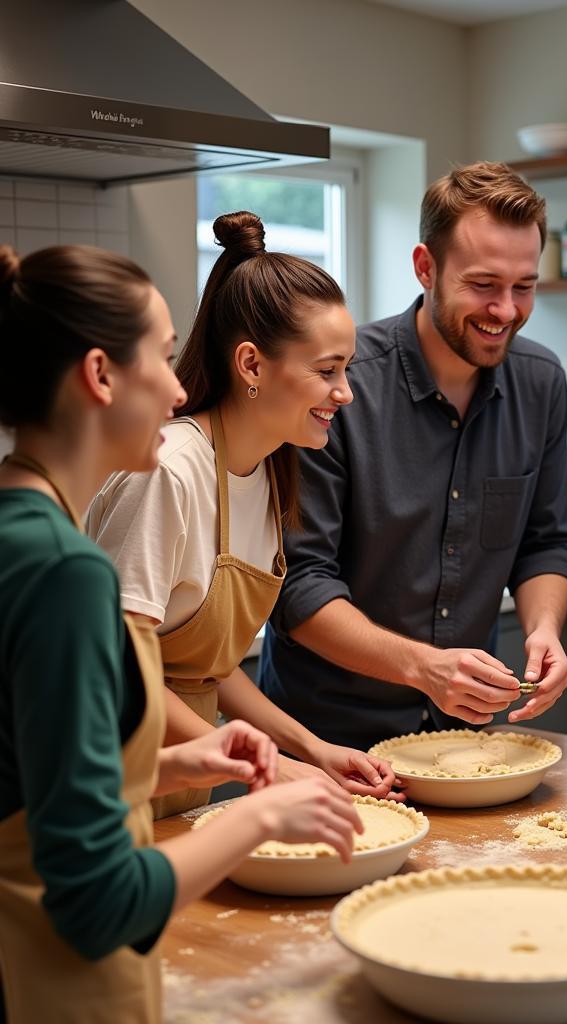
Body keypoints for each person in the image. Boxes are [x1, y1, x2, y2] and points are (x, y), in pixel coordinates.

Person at [0, 243, 362, 1023]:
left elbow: (38, 777)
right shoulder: (60, 569)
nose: (176, 389)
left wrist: (196, 761)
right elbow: (95, 901)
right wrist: (258, 811)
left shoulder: (21, 532)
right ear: (100, 376)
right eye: (162, 359)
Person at [86, 212, 399, 818]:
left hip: (182, 789)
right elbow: (124, 667)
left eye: (348, 370)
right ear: (252, 365)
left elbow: (204, 668)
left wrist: (311, 748)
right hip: (109, 787)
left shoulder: (268, 469)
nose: (346, 393)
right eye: (326, 371)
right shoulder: (169, 472)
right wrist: (273, 767)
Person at [258, 162, 567, 749]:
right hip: (325, 742)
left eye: (524, 287)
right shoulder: (342, 387)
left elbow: (545, 543)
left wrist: (545, 630)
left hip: (462, 743)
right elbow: (299, 585)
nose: (505, 310)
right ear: (425, 267)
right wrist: (422, 667)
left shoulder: (541, 383)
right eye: (483, 285)